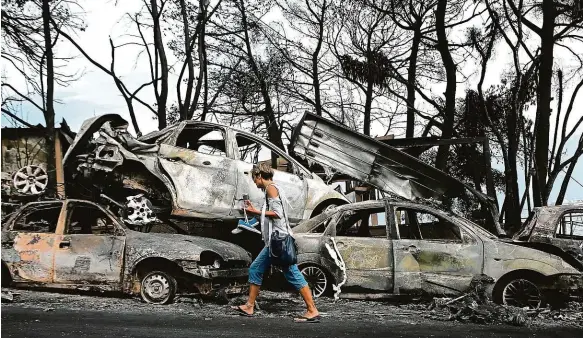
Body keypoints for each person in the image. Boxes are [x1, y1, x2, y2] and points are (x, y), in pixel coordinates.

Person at [232, 163, 321, 323]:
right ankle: (249, 306)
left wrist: (255, 211)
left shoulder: (271, 188)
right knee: (256, 268)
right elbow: (271, 214)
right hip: (275, 240)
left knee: (292, 272)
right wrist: (255, 213)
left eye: (254, 179)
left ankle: (312, 310)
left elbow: (277, 214)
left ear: (259, 176)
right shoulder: (272, 188)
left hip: (279, 240)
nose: (254, 183)